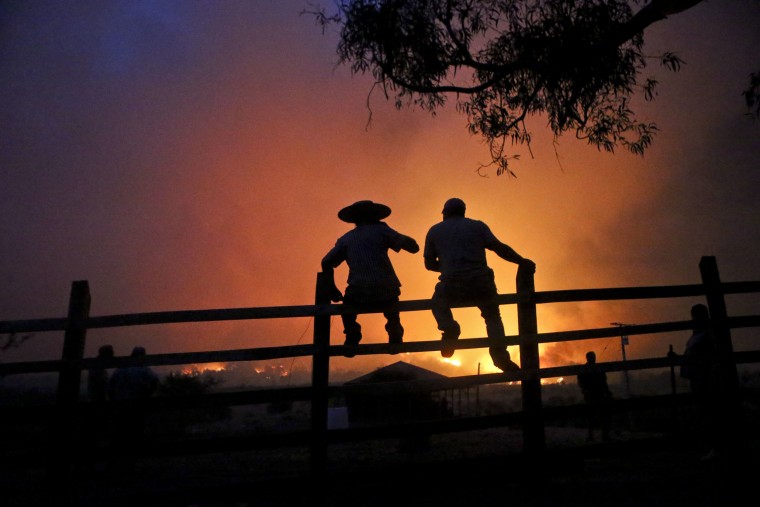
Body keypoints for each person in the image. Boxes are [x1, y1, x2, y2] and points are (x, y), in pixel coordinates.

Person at [423, 197, 535, 371]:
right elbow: (499, 248)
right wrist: (521, 261)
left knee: (437, 303)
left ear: (444, 213)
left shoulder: (435, 230)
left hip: (452, 285)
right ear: (463, 211)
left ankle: (449, 328)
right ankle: (500, 357)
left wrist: (450, 267)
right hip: (481, 282)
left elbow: (429, 264)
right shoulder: (477, 226)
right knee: (492, 316)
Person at [322, 200, 420, 357]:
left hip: (358, 290)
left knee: (347, 309)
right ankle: (394, 331)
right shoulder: (382, 231)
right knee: (391, 309)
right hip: (385, 288)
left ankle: (352, 332)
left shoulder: (347, 239)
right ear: (375, 216)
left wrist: (331, 287)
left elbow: (326, 262)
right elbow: (413, 247)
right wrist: (400, 238)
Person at [108, 346, 160, 474]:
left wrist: (114, 400)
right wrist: (147, 394)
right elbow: (154, 381)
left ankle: (114, 465)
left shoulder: (120, 369)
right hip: (135, 406)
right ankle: (128, 465)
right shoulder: (143, 369)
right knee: (133, 435)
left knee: (118, 436)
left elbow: (111, 386)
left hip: (120, 406)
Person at [680, 303, 720, 459]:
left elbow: (708, 357)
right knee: (704, 411)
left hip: (704, 377)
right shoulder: (698, 334)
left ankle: (715, 447)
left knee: (708, 412)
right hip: (697, 377)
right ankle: (710, 446)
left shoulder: (705, 334)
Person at [577, 350, 613, 442]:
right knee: (594, 415)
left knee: (598, 415)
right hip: (593, 393)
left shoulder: (588, 368)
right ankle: (596, 435)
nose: (594, 358)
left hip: (596, 393)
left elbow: (603, 381)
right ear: (588, 358)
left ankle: (598, 435)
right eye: (592, 357)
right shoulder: (591, 369)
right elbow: (582, 382)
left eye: (594, 357)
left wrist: (606, 391)